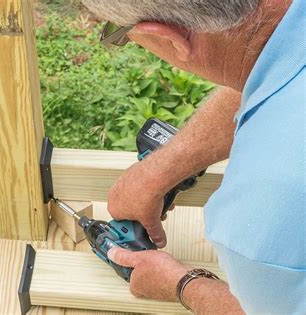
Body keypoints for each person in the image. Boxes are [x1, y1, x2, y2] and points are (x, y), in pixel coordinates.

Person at [81, 0, 305, 313]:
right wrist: (158, 170)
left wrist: (183, 284)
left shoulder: (262, 233)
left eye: (117, 33)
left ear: (171, 38)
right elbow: (271, 65)